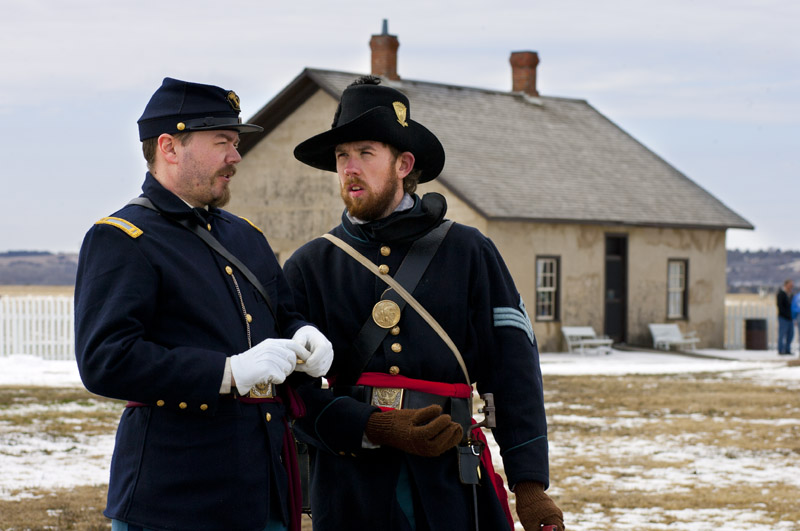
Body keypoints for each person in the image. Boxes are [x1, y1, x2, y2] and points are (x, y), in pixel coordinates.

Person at [283, 76, 564, 531]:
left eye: (365, 153)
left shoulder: (470, 252)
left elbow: (512, 371)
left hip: (450, 481)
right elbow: (292, 393)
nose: (350, 168)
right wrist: (370, 425)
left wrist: (530, 485)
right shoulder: (309, 266)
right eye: (342, 156)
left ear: (403, 163)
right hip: (350, 486)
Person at [74, 77, 333, 531]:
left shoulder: (244, 235)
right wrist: (226, 373)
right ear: (170, 147)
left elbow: (281, 313)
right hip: (174, 501)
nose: (236, 157)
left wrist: (303, 336)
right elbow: (105, 360)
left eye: (235, 143)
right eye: (223, 143)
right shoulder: (122, 238)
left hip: (262, 490)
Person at [777, 279, 794, 355]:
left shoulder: (790, 295)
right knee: (782, 334)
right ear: (786, 285)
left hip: (790, 318)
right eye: (790, 285)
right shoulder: (781, 294)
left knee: (790, 334)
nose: (791, 287)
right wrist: (786, 315)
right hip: (783, 318)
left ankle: (787, 349)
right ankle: (780, 350)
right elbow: (780, 306)